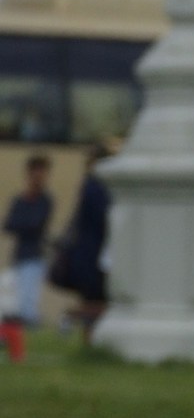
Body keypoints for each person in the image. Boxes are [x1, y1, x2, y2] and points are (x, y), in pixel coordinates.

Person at [51, 140, 113, 343]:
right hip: (93, 256)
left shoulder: (90, 185)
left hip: (87, 255)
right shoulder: (97, 187)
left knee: (94, 302)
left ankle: (88, 340)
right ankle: (71, 316)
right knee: (99, 302)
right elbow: (105, 219)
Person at [4, 153, 52, 363]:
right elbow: (9, 224)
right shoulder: (20, 199)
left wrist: (23, 224)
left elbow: (34, 225)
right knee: (14, 299)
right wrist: (25, 224)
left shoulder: (45, 200)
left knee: (28, 301)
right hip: (19, 255)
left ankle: (21, 343)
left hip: (35, 255)